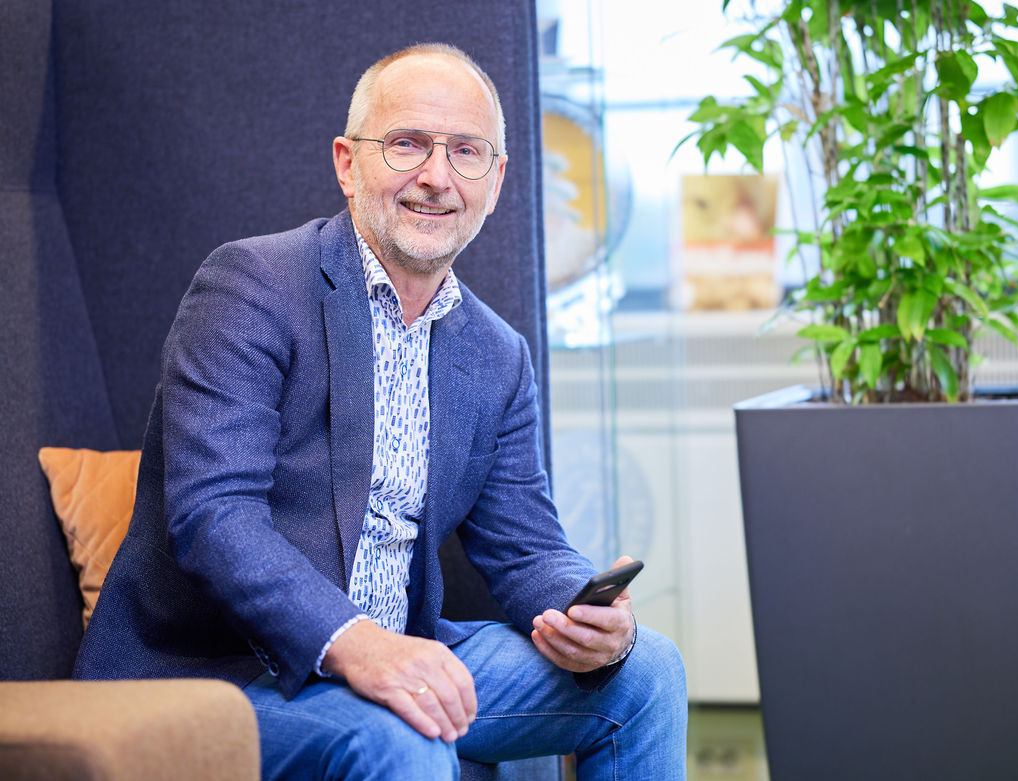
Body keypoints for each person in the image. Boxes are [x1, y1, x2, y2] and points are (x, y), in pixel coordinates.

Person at [74, 43, 687, 779]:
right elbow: (214, 517)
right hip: (222, 669)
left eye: (466, 152)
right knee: (403, 733)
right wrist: (358, 642)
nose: (436, 176)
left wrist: (587, 614)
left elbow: (526, 546)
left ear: (495, 183)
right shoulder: (252, 285)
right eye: (406, 144)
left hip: (399, 648)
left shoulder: (497, 354)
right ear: (346, 162)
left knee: (646, 669)